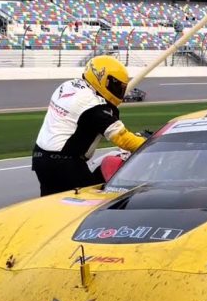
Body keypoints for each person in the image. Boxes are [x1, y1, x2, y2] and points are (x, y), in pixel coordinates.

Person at [32, 55, 147, 196]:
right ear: (102, 79)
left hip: (39, 157)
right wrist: (151, 144)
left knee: (51, 204)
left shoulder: (68, 86)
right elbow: (122, 138)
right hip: (64, 163)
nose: (119, 92)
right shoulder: (94, 105)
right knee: (92, 205)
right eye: (116, 85)